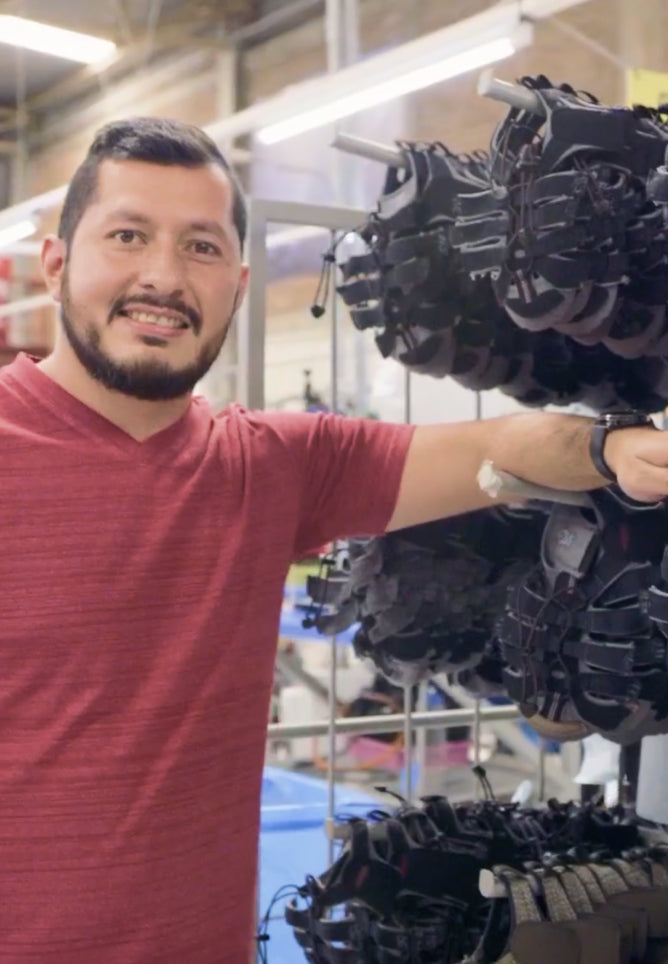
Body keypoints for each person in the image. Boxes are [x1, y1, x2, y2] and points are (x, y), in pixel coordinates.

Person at [1, 115, 667, 964]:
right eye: (128, 236)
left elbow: (494, 449)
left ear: (238, 284)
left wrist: (614, 449)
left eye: (200, 248)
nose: (163, 277)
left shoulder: (270, 464)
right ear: (57, 264)